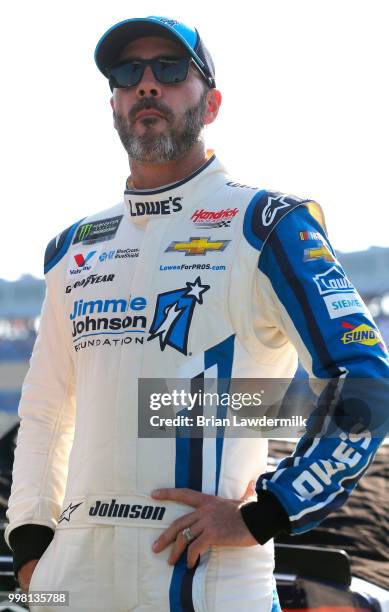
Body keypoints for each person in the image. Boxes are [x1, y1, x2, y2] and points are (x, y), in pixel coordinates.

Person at [5, 15, 389, 612]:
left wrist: (272, 508)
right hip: (71, 582)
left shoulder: (268, 226)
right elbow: (47, 408)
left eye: (170, 70)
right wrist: (31, 543)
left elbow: (366, 381)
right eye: (128, 74)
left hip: (210, 580)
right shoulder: (72, 248)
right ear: (113, 105)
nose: (147, 85)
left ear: (210, 104)